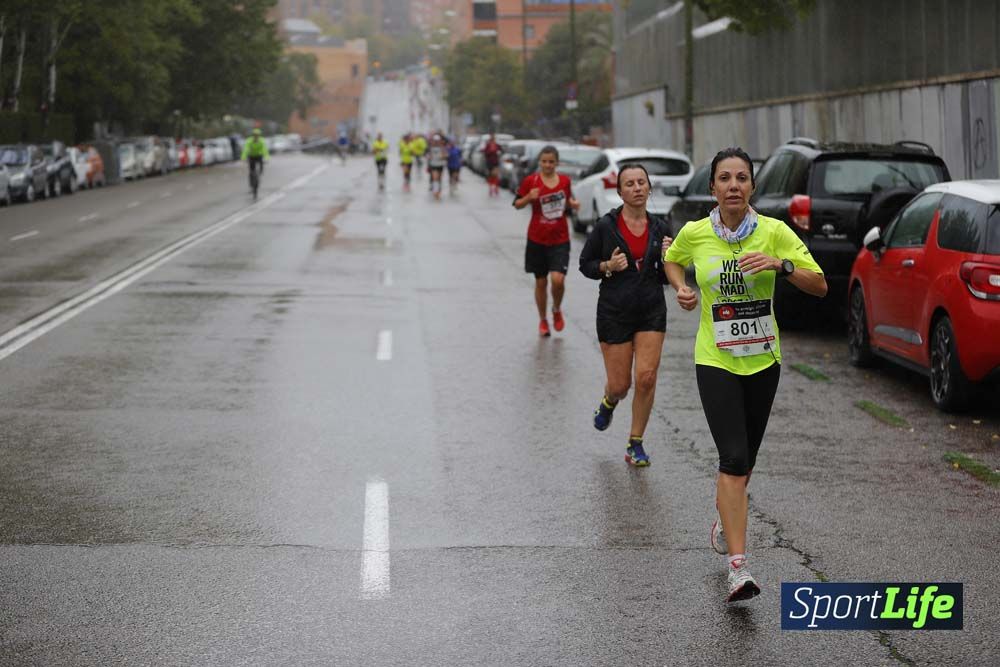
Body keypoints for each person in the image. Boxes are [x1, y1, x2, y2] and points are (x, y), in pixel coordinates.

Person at [663, 147, 827, 603]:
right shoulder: (696, 233)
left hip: (763, 361)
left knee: (745, 461)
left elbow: (820, 283)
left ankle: (725, 513)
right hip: (714, 359)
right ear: (712, 187)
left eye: (741, 178)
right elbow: (672, 259)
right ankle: (739, 567)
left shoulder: (775, 232)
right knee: (733, 457)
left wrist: (781, 265)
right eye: (724, 178)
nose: (733, 185)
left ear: (752, 186)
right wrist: (681, 286)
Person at [579, 164, 674, 468]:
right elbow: (585, 264)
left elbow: (663, 277)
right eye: (629, 184)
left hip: (651, 310)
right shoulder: (606, 226)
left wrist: (668, 259)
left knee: (646, 377)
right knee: (621, 385)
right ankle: (609, 401)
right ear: (619, 192)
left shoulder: (660, 228)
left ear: (649, 187)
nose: (636, 188)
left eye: (641, 182)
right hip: (614, 312)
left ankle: (636, 442)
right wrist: (608, 266)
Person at [514, 145, 579, 337]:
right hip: (537, 238)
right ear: (540, 162)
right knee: (541, 282)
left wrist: (572, 204)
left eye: (551, 162)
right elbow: (517, 204)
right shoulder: (531, 181)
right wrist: (528, 197)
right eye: (544, 161)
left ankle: (556, 309)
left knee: (557, 280)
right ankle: (543, 320)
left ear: (557, 163)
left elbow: (565, 201)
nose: (548, 165)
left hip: (560, 238)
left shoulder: (565, 181)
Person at [427, 133, 447, 200]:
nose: (436, 142)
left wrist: (443, 156)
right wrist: (429, 157)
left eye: (437, 140)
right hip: (433, 164)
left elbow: (445, 155)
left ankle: (439, 190)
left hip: (440, 164)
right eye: (435, 140)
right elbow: (428, 156)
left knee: (439, 178)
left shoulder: (442, 147)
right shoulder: (430, 147)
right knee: (435, 178)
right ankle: (435, 191)